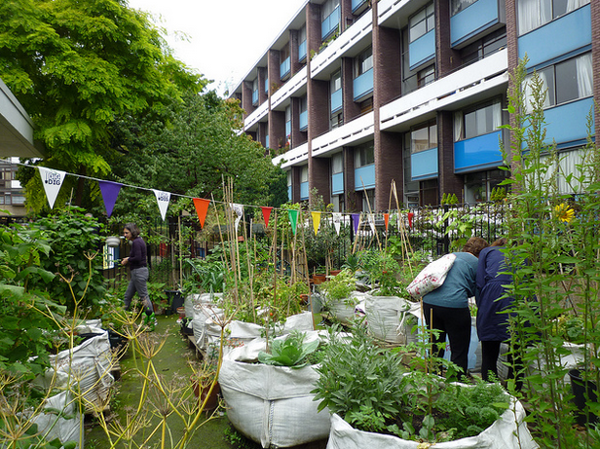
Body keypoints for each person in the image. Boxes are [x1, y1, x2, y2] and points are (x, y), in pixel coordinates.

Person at [423, 237, 489, 377]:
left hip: (429, 302)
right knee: (459, 348)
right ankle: (456, 382)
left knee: (435, 343)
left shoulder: (449, 257)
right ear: (482, 252)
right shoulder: (478, 263)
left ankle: (433, 378)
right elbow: (479, 292)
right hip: (455, 306)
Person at [476, 237, 519, 384]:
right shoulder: (524, 255)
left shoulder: (487, 252)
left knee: (489, 345)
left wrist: (481, 306)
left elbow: (480, 282)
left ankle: (490, 387)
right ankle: (515, 391)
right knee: (517, 346)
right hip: (519, 295)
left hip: (493, 296)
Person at [121, 223, 156, 330]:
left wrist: (128, 259)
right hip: (137, 272)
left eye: (126, 233)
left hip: (138, 272)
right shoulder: (139, 241)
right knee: (128, 295)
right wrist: (129, 257)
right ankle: (122, 318)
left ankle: (152, 319)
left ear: (132, 232)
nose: (125, 235)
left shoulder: (136, 242)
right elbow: (137, 256)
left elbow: (137, 257)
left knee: (144, 296)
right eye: (124, 233)